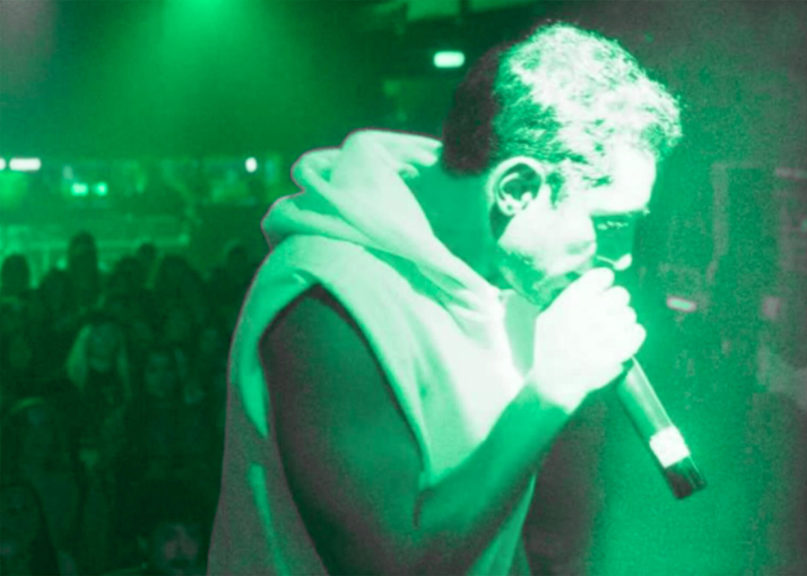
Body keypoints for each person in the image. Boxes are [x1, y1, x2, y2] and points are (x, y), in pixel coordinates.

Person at [208, 21, 682, 575]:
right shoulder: (327, 300)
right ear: (516, 190)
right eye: (611, 224)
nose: (623, 257)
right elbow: (394, 567)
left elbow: (493, 530)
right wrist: (551, 390)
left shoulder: (511, 282)